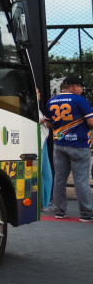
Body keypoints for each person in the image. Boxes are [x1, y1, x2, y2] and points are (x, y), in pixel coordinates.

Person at [40, 74, 93, 222]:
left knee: (59, 179)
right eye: (81, 87)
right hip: (79, 145)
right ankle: (86, 213)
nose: (82, 90)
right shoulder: (80, 100)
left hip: (60, 145)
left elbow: (49, 124)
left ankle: (59, 211)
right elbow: (91, 122)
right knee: (81, 181)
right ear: (74, 87)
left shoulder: (52, 101)